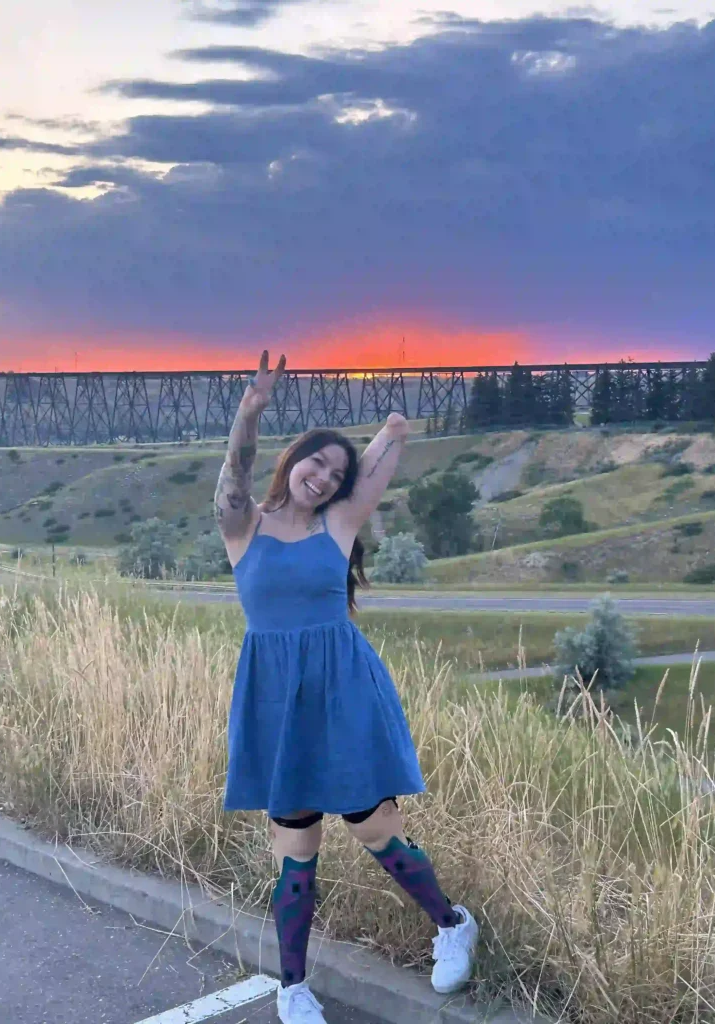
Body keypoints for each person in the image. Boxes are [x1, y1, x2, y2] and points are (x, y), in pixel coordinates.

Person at [215, 351, 478, 1024]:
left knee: (373, 826)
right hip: (275, 698)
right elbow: (234, 479)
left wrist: (392, 432)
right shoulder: (242, 527)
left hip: (343, 692)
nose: (324, 477)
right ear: (293, 459)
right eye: (316, 463)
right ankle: (293, 987)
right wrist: (249, 412)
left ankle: (451, 924)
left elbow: (376, 473)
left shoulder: (339, 525)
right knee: (296, 847)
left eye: (336, 473)